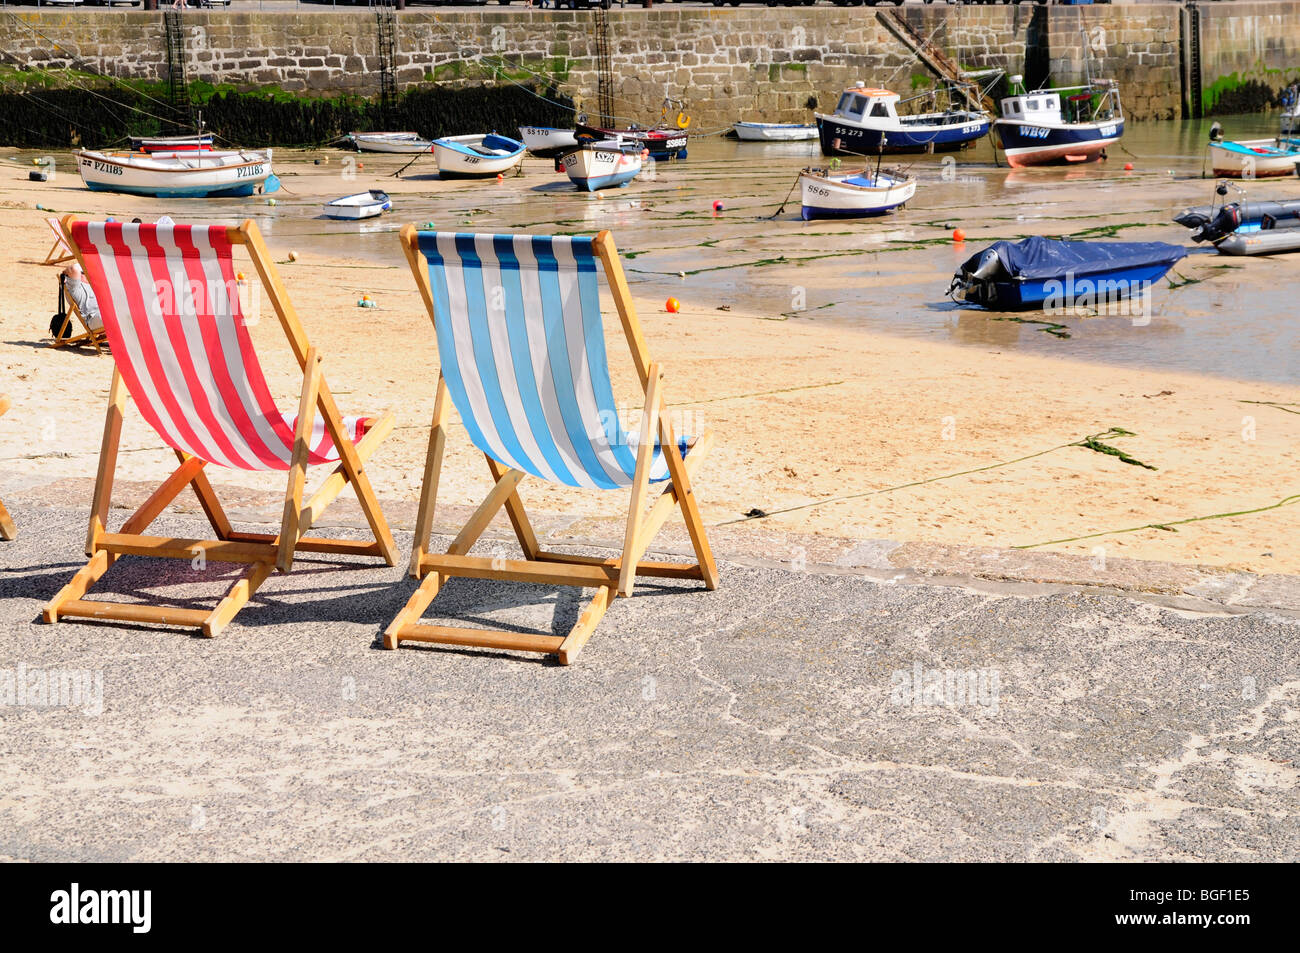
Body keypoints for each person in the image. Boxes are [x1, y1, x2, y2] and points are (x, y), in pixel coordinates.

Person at [61, 263, 104, 332]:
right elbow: (73, 268)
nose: (88, 275)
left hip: (103, 314)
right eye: (84, 273)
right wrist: (68, 271)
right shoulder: (75, 287)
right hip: (93, 319)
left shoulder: (93, 285)